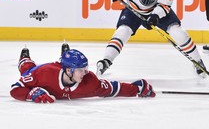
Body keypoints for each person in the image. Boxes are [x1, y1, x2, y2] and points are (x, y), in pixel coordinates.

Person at [10, 43, 155, 103]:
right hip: (40, 70)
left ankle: (66, 53)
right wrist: (30, 94)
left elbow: (112, 89)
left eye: (85, 68)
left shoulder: (90, 81)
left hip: (62, 70)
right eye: (81, 70)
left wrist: (138, 88)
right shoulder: (44, 73)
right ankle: (24, 55)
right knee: (26, 67)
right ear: (68, 70)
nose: (85, 73)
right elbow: (15, 89)